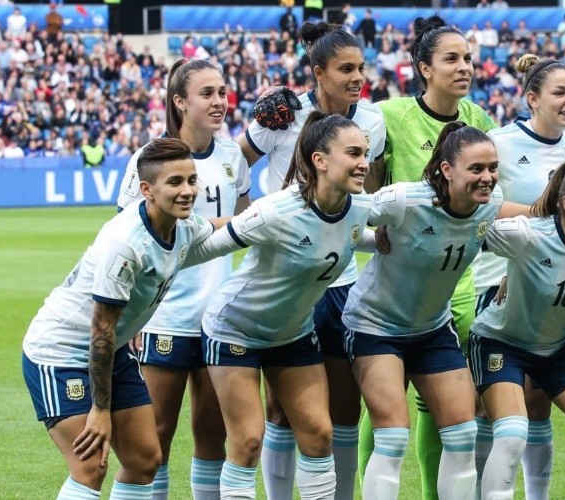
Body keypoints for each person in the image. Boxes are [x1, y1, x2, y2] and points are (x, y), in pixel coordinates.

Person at [21, 138, 222, 500]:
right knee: (90, 465)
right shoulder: (125, 244)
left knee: (145, 460)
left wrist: (271, 217)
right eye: (175, 182)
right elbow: (101, 331)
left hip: (109, 351)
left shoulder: (181, 226)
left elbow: (221, 228)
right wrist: (101, 410)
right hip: (61, 352)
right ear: (146, 190)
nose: (188, 191)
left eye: (192, 180)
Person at [196, 112, 377, 500]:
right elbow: (206, 247)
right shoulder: (277, 211)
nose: (364, 162)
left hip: (292, 334)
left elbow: (359, 235)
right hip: (234, 330)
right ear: (320, 160)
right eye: (353, 153)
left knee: (319, 434)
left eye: (365, 153)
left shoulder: (360, 207)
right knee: (247, 440)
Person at [343, 122, 527, 500]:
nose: (487, 177)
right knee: (393, 436)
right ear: (447, 170)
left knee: (463, 433)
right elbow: (343, 212)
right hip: (375, 326)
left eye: (492, 168)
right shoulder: (405, 200)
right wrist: (371, 239)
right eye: (476, 169)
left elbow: (527, 224)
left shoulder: (489, 203)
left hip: (432, 329)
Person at [239, 22, 385, 500]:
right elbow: (235, 163)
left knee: (344, 408)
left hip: (340, 281)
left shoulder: (373, 121)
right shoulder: (283, 113)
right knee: (280, 409)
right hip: (283, 278)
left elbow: (370, 195)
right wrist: (251, 217)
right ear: (318, 73)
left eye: (361, 68)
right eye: (345, 69)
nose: (357, 77)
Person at [364, 16, 498, 499]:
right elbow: (366, 181)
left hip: (457, 285)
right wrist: (372, 229)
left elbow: (493, 196)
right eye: (451, 59)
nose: (464, 67)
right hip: (395, 288)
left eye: (468, 58)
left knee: (443, 409)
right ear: (424, 68)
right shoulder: (389, 115)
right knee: (386, 410)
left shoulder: (480, 120)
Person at [116, 58, 251, 500]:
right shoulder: (150, 159)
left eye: (222, 92)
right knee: (154, 438)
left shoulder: (231, 156)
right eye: (206, 93)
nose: (219, 101)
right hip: (166, 318)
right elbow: (126, 241)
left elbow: (244, 224)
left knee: (213, 436)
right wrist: (133, 316)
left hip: (219, 319)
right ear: (179, 101)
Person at [472, 161, 565, 500]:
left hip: (558, 348)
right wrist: (512, 272)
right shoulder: (527, 234)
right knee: (512, 433)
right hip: (500, 343)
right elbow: (468, 225)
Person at [470, 52, 565, 500]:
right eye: (560, 92)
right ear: (532, 98)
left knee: (537, 405)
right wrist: (545, 212)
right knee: (491, 409)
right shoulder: (499, 142)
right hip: (497, 283)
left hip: (552, 290)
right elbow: (482, 203)